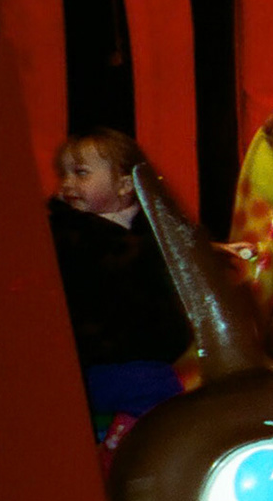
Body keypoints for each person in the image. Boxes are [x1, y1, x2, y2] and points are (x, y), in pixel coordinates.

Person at [47, 128, 191, 443]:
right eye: (65, 174)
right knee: (159, 397)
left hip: (149, 355)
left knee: (170, 395)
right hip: (104, 357)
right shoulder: (68, 232)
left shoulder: (148, 227)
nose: (68, 183)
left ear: (125, 184)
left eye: (81, 173)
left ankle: (123, 438)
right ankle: (128, 446)